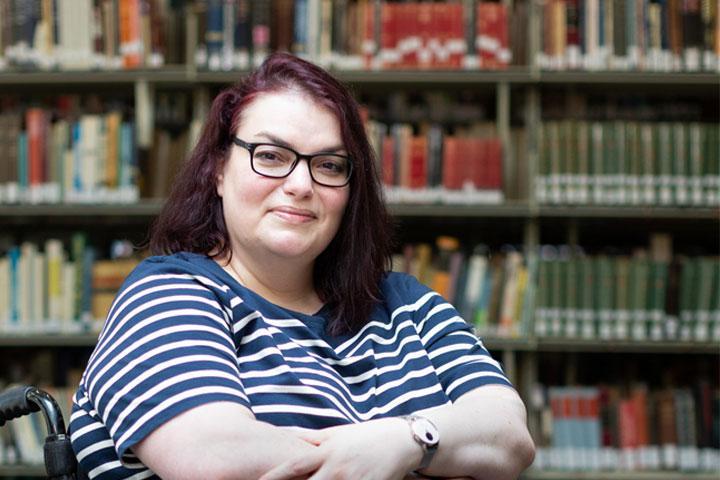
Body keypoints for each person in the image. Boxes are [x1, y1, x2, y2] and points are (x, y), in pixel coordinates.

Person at [69, 52, 535, 480]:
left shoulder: (407, 304)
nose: (300, 184)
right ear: (218, 169)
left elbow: (509, 435)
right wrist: (430, 446)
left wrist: (404, 441)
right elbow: (213, 460)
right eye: (271, 156)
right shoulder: (168, 295)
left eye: (329, 165)